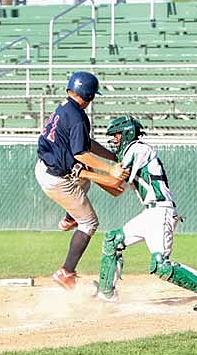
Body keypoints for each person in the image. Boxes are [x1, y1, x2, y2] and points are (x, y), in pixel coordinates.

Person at [92, 115, 197, 311]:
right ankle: (106, 293)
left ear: (128, 134)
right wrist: (90, 175)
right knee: (112, 241)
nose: (114, 141)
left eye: (117, 136)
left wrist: (86, 171)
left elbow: (115, 181)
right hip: (150, 213)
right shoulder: (132, 152)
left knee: (160, 265)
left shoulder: (138, 149)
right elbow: (116, 189)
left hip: (161, 211)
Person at [35, 71, 129, 290]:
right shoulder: (78, 117)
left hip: (45, 168)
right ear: (88, 95)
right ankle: (66, 272)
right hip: (57, 178)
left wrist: (112, 157)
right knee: (90, 223)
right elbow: (80, 154)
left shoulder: (65, 109)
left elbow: (85, 144)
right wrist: (110, 169)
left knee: (84, 180)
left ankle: (70, 218)